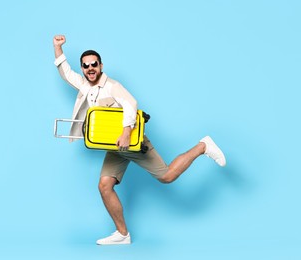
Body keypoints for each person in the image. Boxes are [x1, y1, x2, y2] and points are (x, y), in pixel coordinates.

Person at [53, 35, 226, 245]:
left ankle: (203, 145)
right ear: (82, 68)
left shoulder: (112, 85)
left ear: (101, 65)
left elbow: (130, 103)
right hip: (114, 146)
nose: (90, 68)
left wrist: (126, 131)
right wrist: (58, 47)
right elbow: (65, 73)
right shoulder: (84, 85)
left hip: (133, 141)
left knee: (167, 176)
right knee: (104, 186)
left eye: (94, 64)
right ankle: (122, 234)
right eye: (86, 66)